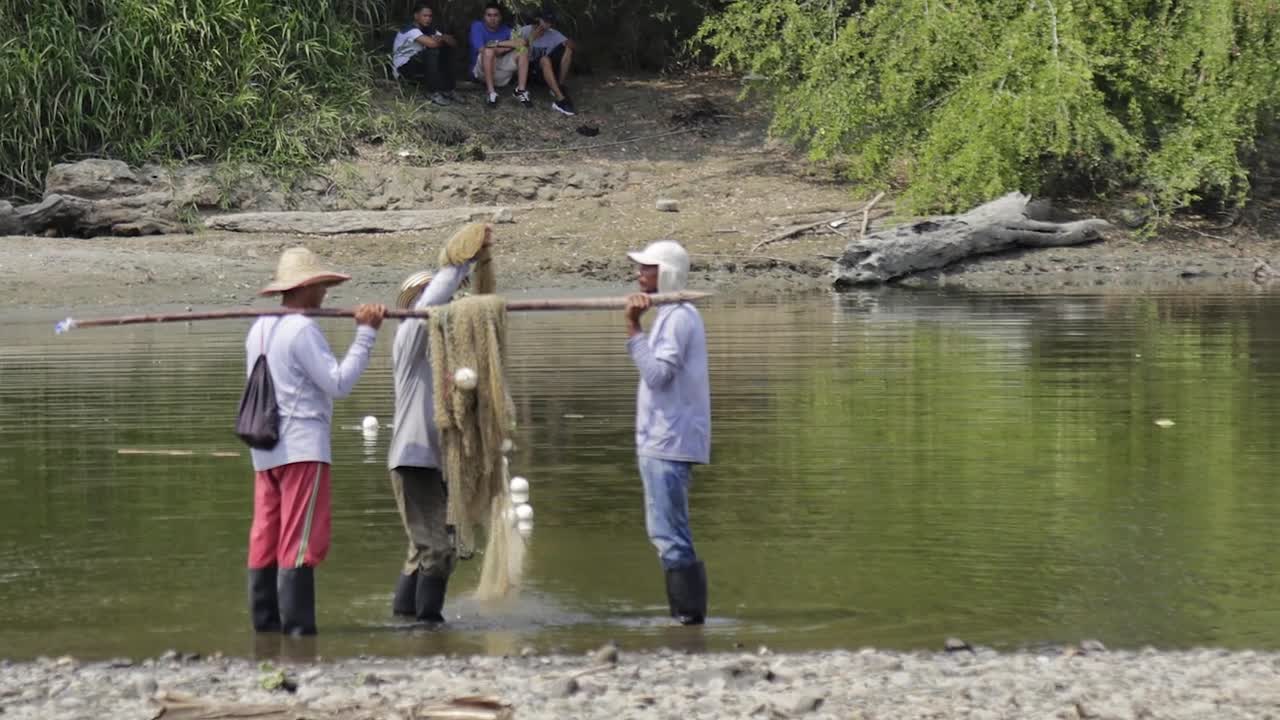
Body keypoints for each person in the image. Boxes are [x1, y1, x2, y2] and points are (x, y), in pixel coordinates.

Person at [245, 247, 386, 637]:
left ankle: (266, 628)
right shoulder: (302, 328)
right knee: (300, 538)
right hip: (301, 446)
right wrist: (366, 334)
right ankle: (299, 631)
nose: (325, 294)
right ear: (305, 287)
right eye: (321, 286)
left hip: (265, 448)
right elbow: (339, 384)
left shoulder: (259, 327)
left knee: (266, 533)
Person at [386, 226, 495, 623]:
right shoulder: (410, 337)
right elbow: (432, 303)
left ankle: (404, 621)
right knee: (438, 551)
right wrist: (463, 259)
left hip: (438, 463)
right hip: (414, 460)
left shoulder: (443, 358)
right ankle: (430, 626)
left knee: (425, 549)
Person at [623, 240, 711, 625]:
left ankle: (688, 619)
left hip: (669, 443)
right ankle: (686, 618)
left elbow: (658, 376)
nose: (640, 275)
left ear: (668, 273)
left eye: (648, 268)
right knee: (666, 531)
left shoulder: (677, 316)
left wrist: (631, 328)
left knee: (669, 534)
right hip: (661, 441)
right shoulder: (670, 315)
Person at [391, 3, 461, 106]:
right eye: (425, 16)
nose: (428, 19)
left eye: (430, 16)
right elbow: (432, 44)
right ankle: (432, 92)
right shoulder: (410, 29)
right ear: (416, 16)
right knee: (432, 52)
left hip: (417, 64)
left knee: (447, 50)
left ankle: (448, 89)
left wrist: (442, 38)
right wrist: (441, 39)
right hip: (403, 69)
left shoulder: (428, 29)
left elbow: (454, 43)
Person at [469, 2, 531, 108]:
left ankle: (520, 91)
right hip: (482, 70)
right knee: (489, 51)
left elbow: (523, 42)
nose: (492, 18)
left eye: (495, 15)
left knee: (523, 51)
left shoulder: (506, 29)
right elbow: (482, 49)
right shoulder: (477, 26)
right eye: (489, 15)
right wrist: (507, 46)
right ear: (484, 17)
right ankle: (491, 93)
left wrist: (497, 44)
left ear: (500, 17)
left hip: (501, 71)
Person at [518, 8, 576, 116]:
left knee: (566, 50)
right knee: (544, 59)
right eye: (544, 21)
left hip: (545, 70)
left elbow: (572, 45)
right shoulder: (525, 30)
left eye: (550, 22)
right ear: (538, 19)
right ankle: (561, 99)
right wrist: (532, 38)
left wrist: (568, 43)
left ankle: (560, 86)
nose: (546, 25)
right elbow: (517, 50)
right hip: (528, 70)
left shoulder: (553, 34)